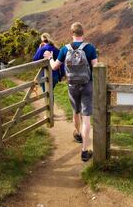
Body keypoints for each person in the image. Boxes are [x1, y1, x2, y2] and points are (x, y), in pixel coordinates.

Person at [43, 22, 98, 162]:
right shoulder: (90, 48)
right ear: (83, 33)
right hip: (87, 85)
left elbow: (54, 67)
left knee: (76, 112)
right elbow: (96, 67)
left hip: (72, 86)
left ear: (71, 34)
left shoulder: (64, 49)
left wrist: (50, 57)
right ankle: (85, 151)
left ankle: (78, 134)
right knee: (87, 118)